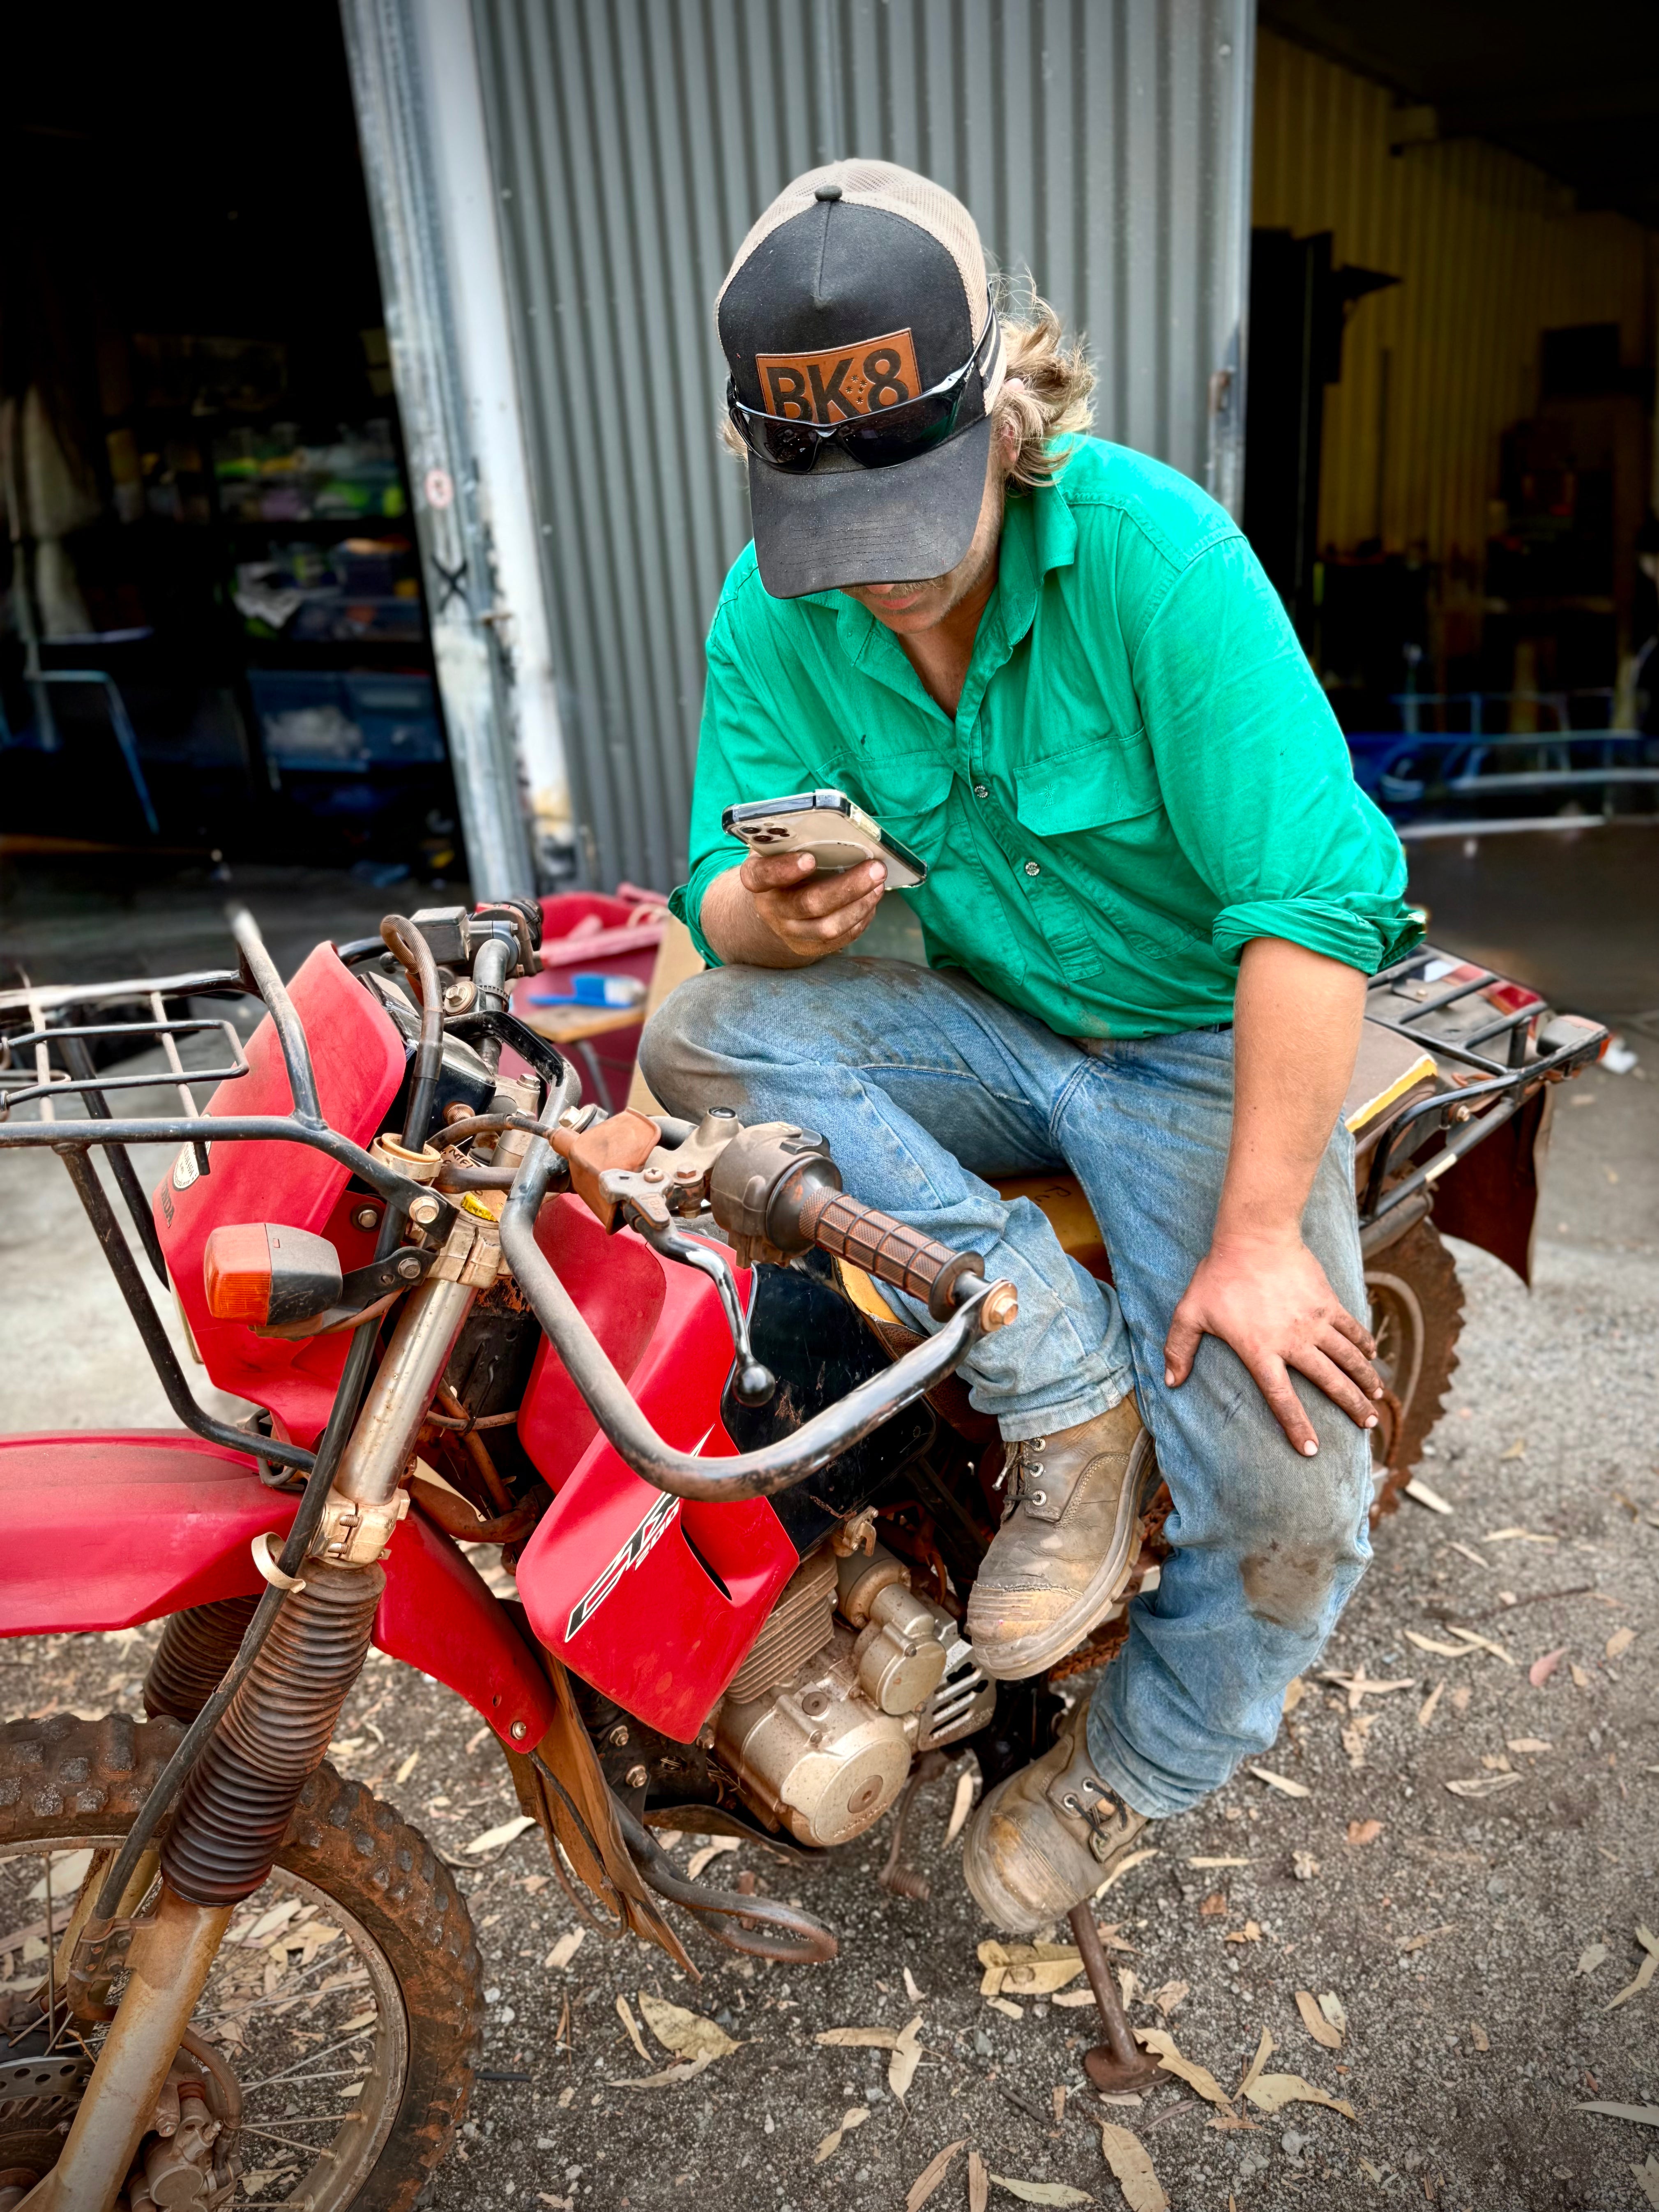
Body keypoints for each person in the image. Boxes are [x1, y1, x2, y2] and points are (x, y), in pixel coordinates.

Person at [640, 161, 1419, 1933]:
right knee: (705, 1033)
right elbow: (708, 897)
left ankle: (1129, 1769)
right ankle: (1047, 1365)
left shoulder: (1154, 560)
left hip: (1196, 1041)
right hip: (988, 1018)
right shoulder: (774, 607)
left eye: (917, 521)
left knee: (1289, 1487)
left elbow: (1310, 909)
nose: (890, 594)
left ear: (1007, 404)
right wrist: (782, 911)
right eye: (837, 542)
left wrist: (1247, 1243)